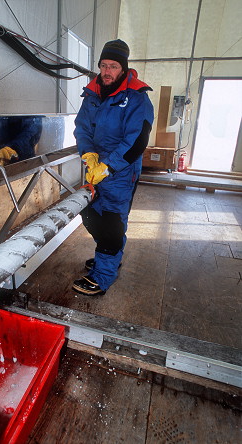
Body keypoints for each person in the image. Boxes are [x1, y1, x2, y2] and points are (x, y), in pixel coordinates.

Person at [72, 39, 154, 296]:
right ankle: (110, 253)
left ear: (123, 68)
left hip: (121, 170)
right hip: (95, 167)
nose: (107, 71)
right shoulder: (92, 94)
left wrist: (108, 166)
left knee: (112, 222)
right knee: (88, 213)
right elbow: (82, 129)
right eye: (104, 65)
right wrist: (89, 154)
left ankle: (103, 275)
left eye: (114, 66)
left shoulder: (136, 98)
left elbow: (137, 140)